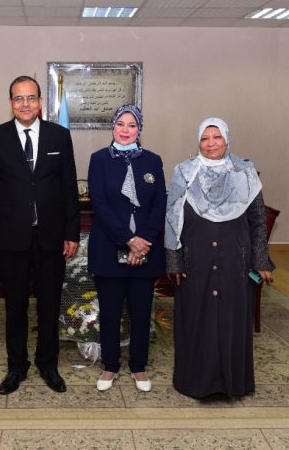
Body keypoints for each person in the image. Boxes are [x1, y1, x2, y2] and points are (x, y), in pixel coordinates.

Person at [0, 76, 80, 395]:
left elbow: (69, 188)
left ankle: (48, 364)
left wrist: (71, 233)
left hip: (51, 238)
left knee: (49, 305)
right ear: (10, 102)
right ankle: (16, 366)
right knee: (15, 306)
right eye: (19, 98)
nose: (25, 104)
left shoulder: (59, 136)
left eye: (31, 98)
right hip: (10, 239)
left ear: (40, 102)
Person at [165, 117, 274, 399]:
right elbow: (172, 219)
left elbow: (258, 221)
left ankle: (232, 384)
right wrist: (174, 260)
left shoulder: (245, 172)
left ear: (227, 140)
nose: (210, 144)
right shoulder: (184, 172)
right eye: (205, 138)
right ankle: (195, 382)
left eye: (217, 138)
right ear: (198, 142)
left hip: (235, 259)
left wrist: (261, 260)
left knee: (230, 321)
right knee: (196, 320)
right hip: (195, 259)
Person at [87, 104, 166, 392]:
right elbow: (100, 204)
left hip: (146, 251)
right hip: (109, 248)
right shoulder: (99, 160)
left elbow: (159, 203)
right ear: (113, 127)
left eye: (132, 125)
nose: (125, 130)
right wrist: (128, 240)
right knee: (110, 313)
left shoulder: (153, 160)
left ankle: (138, 367)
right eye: (120, 124)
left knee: (141, 313)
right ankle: (110, 366)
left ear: (139, 129)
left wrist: (143, 241)